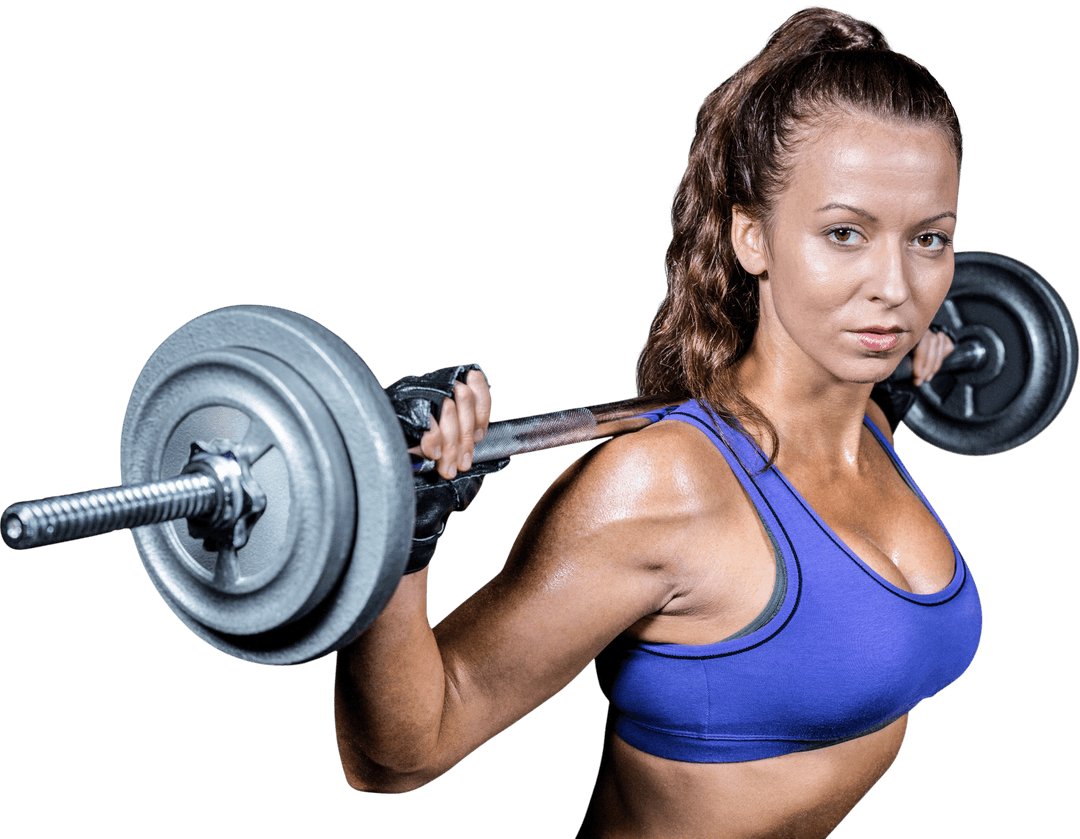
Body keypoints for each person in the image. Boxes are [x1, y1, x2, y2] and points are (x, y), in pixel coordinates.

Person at [333, 6, 977, 837]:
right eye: (845, 233)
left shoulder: (871, 427)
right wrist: (400, 529)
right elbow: (396, 753)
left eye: (929, 239)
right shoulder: (661, 484)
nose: (896, 285)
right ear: (753, 236)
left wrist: (899, 385)